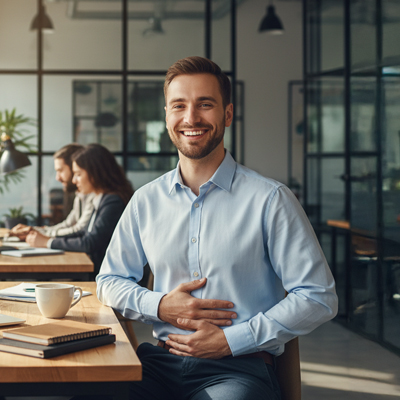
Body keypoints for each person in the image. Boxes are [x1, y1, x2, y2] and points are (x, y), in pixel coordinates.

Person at [96, 56, 338, 400]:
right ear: (167, 116)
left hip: (239, 368)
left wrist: (231, 340)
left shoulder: (271, 200)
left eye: (205, 104)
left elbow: (318, 296)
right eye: (179, 105)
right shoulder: (144, 201)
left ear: (227, 114)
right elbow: (108, 282)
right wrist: (160, 305)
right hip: (159, 364)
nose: (191, 117)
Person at [26, 144, 134, 275]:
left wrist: (48, 242)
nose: (74, 180)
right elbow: (83, 233)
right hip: (99, 272)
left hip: (107, 276)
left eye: (78, 174)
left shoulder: (113, 202)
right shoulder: (102, 199)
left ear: (95, 173)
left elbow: (90, 242)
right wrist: (45, 238)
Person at [10, 143, 95, 240]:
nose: (57, 178)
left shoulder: (93, 195)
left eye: (60, 170)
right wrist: (34, 230)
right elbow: (68, 224)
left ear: (74, 167)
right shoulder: (80, 195)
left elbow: (79, 230)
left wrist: (43, 237)